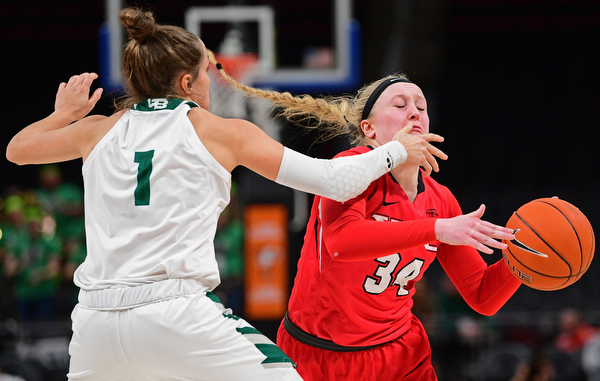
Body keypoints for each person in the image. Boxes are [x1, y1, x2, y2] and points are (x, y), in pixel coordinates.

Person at [5, 7, 447, 380]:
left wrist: (61, 114)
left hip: (95, 324)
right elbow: (334, 181)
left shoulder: (96, 130)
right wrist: (394, 151)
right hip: (176, 312)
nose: (212, 84)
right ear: (185, 83)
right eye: (206, 74)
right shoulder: (219, 132)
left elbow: (17, 151)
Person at [263, 74, 522, 381]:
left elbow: (482, 296)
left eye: (421, 107)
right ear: (368, 129)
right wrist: (435, 229)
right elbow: (341, 242)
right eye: (400, 105)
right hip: (320, 353)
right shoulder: (349, 169)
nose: (414, 112)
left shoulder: (441, 200)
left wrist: (523, 261)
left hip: (399, 353)